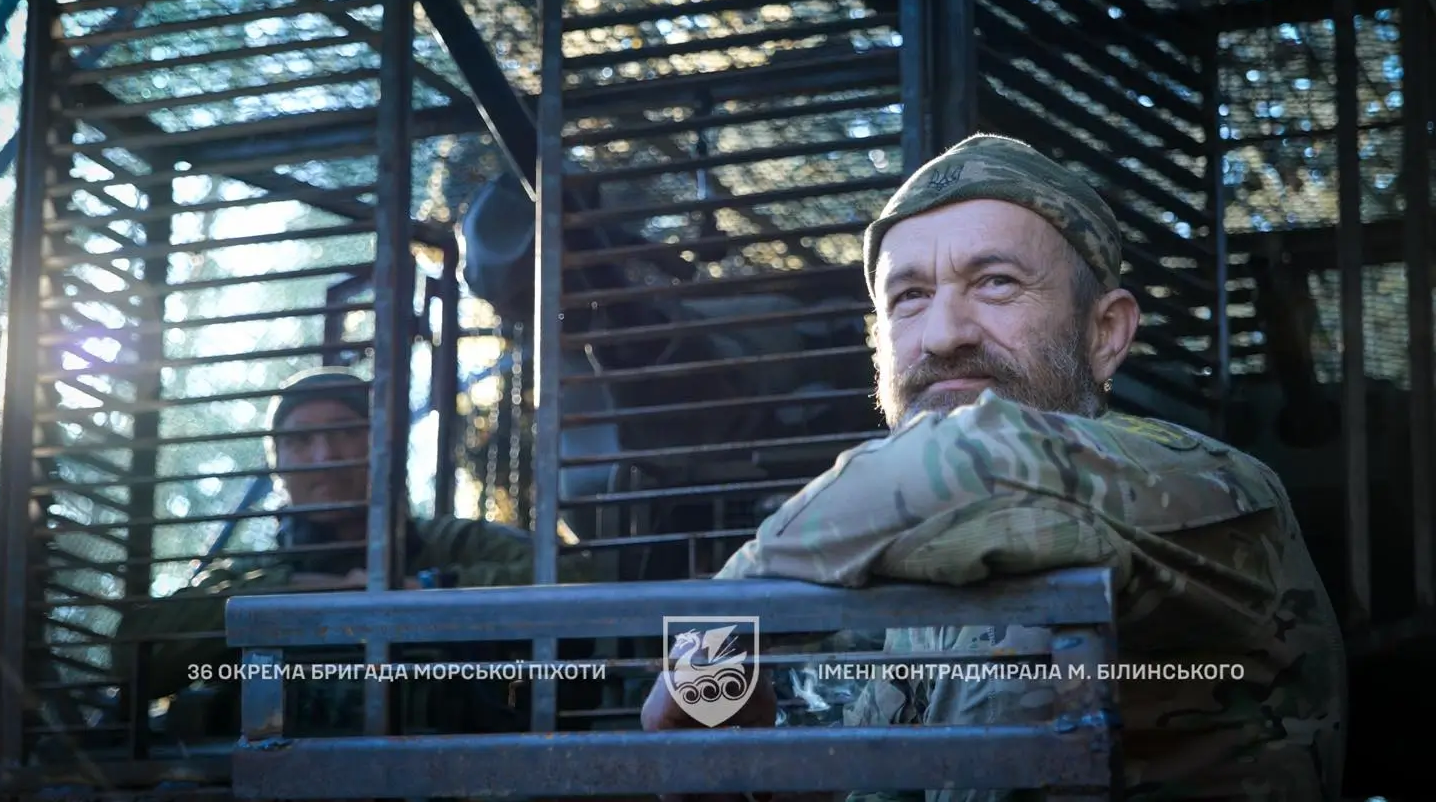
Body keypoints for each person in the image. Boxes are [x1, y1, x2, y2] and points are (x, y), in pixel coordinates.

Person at [642, 134, 1347, 802]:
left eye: (997, 282)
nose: (945, 334)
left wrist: (722, 623)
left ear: (1106, 333)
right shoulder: (892, 596)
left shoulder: (1217, 493)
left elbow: (984, 461)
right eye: (909, 298)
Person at [117, 367, 600, 739]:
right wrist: (304, 594)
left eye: (345, 432)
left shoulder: (451, 543)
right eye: (300, 441)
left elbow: (583, 580)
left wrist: (426, 589)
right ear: (279, 463)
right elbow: (136, 656)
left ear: (380, 446)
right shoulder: (247, 576)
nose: (326, 456)